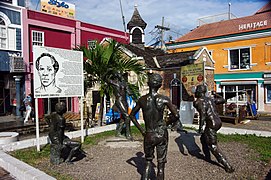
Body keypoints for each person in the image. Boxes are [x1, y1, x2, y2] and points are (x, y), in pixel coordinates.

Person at [130, 73, 179, 180]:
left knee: (148, 162)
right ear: (160, 85)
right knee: (161, 165)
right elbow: (176, 115)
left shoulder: (142, 100)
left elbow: (131, 116)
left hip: (149, 134)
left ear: (148, 84)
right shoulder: (164, 99)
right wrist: (167, 122)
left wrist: (142, 130)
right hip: (161, 133)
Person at [193, 84, 234, 173]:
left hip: (211, 124)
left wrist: (200, 128)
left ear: (199, 92)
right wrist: (216, 94)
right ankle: (207, 157)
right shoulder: (211, 99)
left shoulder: (198, 102)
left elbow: (202, 115)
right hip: (218, 122)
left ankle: (227, 165)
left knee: (213, 145)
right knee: (204, 138)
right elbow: (223, 100)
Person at [107, 71, 133, 140]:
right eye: (118, 75)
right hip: (119, 101)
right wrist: (108, 71)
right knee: (127, 117)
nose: (120, 76)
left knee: (123, 118)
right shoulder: (114, 83)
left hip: (125, 101)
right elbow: (105, 78)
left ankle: (118, 132)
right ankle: (128, 134)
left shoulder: (124, 84)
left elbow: (129, 92)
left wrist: (129, 89)